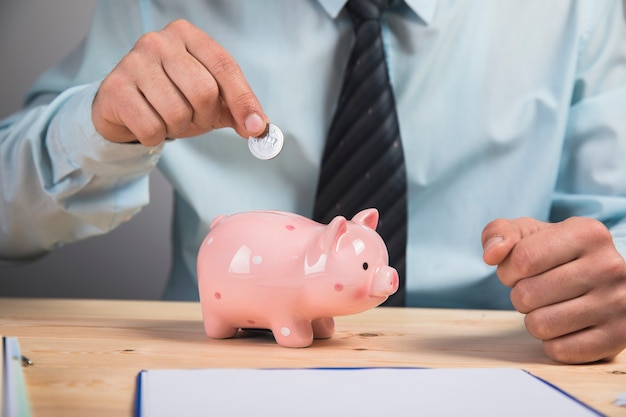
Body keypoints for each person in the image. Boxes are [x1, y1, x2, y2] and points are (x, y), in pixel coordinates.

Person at [1, 0, 626, 364]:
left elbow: (613, 231)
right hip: (214, 365)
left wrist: (600, 281)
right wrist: (97, 128)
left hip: (489, 363)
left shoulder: (584, 12)